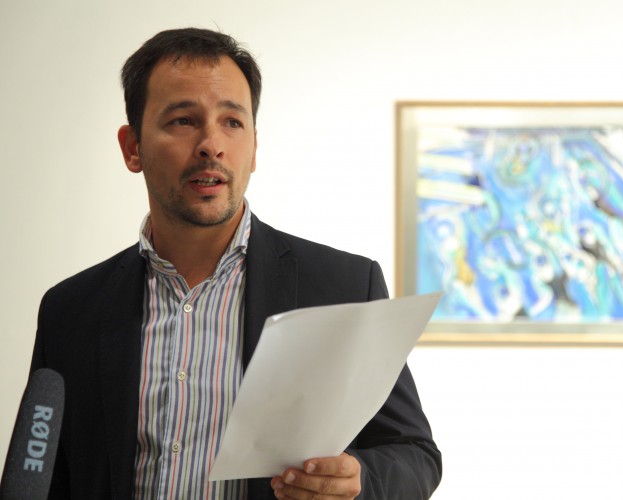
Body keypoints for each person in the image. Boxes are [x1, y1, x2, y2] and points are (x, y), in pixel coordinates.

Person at [29, 27, 441, 499]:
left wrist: (359, 481)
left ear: (255, 147)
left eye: (232, 122)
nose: (211, 144)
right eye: (183, 120)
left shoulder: (345, 286)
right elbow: (42, 477)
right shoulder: (69, 310)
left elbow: (415, 454)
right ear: (132, 148)